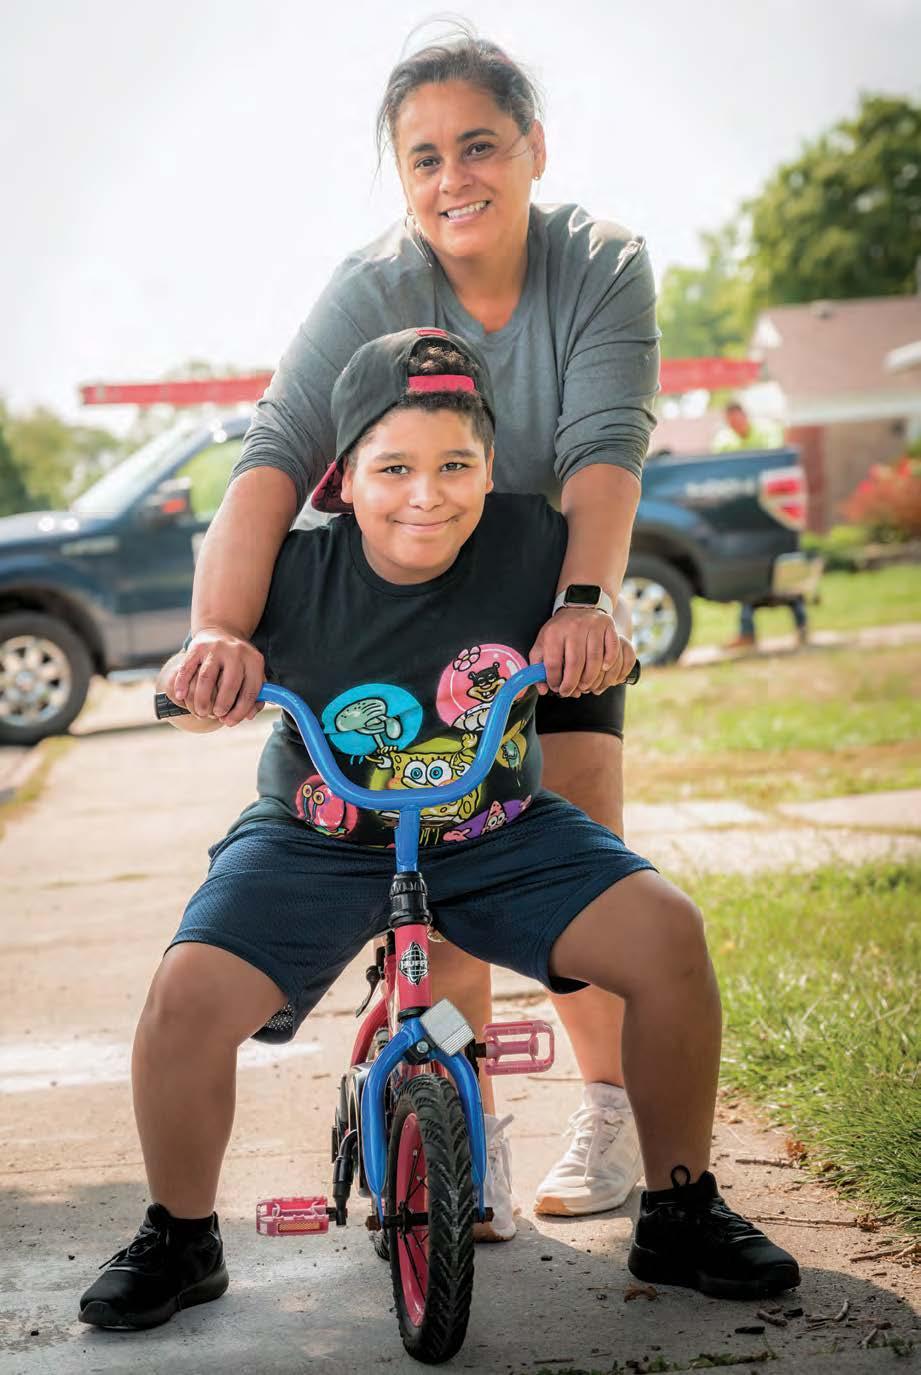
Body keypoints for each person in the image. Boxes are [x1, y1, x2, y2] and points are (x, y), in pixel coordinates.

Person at [79, 331, 799, 1332]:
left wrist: (593, 630)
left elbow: (600, 620)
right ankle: (181, 1235)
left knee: (667, 934)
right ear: (342, 480)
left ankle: (680, 1209)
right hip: (320, 835)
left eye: (456, 465)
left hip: (497, 830)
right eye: (395, 469)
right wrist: (206, 676)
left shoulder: (533, 543)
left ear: (490, 469)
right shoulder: (293, 570)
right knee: (185, 997)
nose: (427, 494)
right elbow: (201, 678)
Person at [164, 31, 660, 1230]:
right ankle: (463, 1131)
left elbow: (604, 448)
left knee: (574, 827)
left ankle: (607, 1106)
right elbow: (277, 452)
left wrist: (582, 605)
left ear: (534, 148)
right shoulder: (373, 286)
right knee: (436, 839)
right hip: (412, 594)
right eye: (424, 158)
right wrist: (219, 629)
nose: (454, 178)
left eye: (479, 145)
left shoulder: (599, 262)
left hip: (544, 584)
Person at [714, 401, 808, 650]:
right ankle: (747, 632)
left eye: (737, 419)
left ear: (744, 416)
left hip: (773, 514)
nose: (735, 425)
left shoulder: (767, 433)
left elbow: (775, 464)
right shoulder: (725, 441)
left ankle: (801, 624)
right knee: (746, 571)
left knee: (784, 569)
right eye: (730, 422)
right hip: (745, 516)